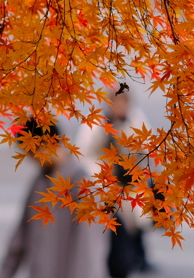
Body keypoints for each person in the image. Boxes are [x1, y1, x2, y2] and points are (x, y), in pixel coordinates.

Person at [0, 120, 109, 278]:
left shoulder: (83, 186)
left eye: (31, 152)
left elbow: (88, 253)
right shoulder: (39, 183)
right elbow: (20, 238)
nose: (31, 158)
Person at [74, 93, 154, 276]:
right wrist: (103, 172)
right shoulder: (97, 125)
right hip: (106, 182)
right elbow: (84, 153)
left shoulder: (135, 120)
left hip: (130, 180)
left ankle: (139, 257)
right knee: (116, 225)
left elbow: (146, 150)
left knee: (137, 222)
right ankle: (119, 260)